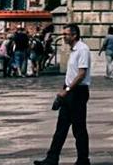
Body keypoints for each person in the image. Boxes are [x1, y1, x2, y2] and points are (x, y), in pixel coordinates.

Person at [34, 23, 92, 165]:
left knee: (79, 128)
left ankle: (83, 160)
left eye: (66, 34)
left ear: (74, 35)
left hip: (77, 92)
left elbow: (81, 74)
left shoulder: (82, 49)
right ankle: (52, 158)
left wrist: (66, 91)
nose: (63, 37)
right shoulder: (73, 50)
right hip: (69, 91)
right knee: (61, 127)